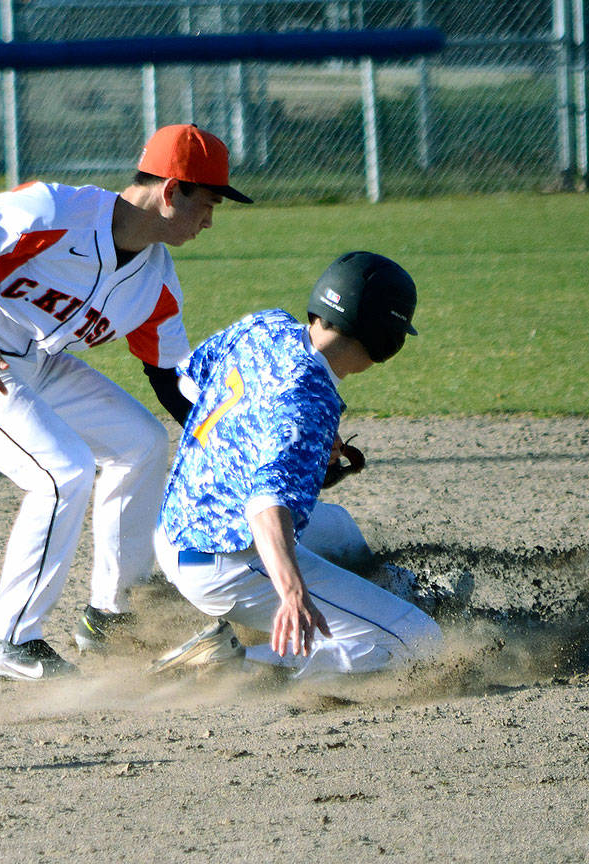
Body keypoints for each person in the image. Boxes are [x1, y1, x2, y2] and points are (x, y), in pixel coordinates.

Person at [0, 124, 252, 682]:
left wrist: (246, 442)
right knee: (62, 471)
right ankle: (7, 639)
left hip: (36, 364)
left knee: (140, 442)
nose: (210, 219)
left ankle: (111, 615)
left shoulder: (155, 283)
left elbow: (171, 382)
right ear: (170, 192)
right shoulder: (55, 210)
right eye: (207, 203)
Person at [152, 252, 443, 679]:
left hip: (179, 527)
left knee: (339, 531)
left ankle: (375, 599)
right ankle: (232, 667)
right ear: (384, 340)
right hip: (227, 560)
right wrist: (291, 591)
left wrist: (266, 438)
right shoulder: (309, 404)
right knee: (418, 642)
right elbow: (265, 506)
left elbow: (188, 384)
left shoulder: (266, 327)